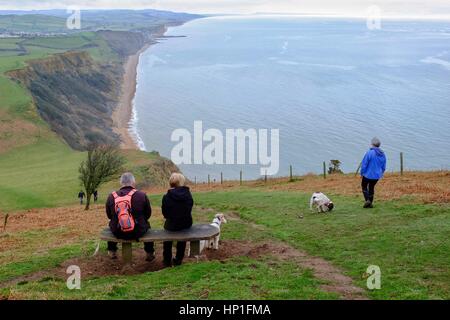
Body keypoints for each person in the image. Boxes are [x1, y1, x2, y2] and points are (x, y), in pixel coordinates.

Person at [105, 173, 155, 261]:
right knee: (147, 224)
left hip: (118, 231)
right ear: (133, 182)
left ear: (121, 182)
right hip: (138, 231)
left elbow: (109, 216)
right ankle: (149, 252)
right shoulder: (142, 195)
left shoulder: (111, 196)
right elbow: (148, 214)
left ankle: (112, 251)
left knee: (112, 223)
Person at [162, 173, 193, 267]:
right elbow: (189, 209)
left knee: (167, 240)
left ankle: (167, 261)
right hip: (185, 223)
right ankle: (178, 259)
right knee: (182, 239)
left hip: (171, 225)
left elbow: (165, 214)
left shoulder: (166, 197)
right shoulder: (188, 195)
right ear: (182, 182)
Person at [360, 137, 387, 208]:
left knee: (364, 186)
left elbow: (364, 164)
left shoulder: (369, 153)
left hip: (367, 175)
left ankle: (367, 201)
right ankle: (370, 203)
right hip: (377, 176)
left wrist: (362, 172)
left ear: (372, 144)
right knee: (371, 187)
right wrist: (381, 173)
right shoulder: (383, 154)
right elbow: (383, 166)